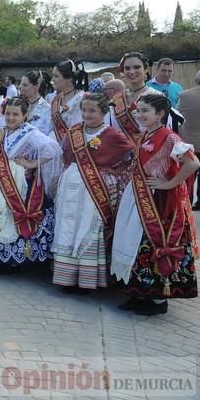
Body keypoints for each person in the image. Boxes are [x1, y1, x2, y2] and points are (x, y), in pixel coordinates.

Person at [111, 94, 199, 315]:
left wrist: (169, 184)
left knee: (150, 244)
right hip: (139, 196)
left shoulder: (169, 137)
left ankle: (158, 300)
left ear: (160, 114)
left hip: (158, 201)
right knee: (133, 243)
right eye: (138, 111)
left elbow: (193, 163)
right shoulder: (145, 134)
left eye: (145, 111)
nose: (139, 115)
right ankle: (138, 293)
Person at [0, 97, 63, 273]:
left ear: (25, 115)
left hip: (17, 180)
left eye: (16, 114)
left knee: (10, 215)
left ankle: (12, 259)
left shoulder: (30, 132)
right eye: (8, 114)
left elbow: (53, 148)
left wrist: (32, 164)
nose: (11, 118)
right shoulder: (4, 131)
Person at [51, 93, 134, 293]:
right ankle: (67, 278)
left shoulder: (112, 135)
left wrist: (113, 175)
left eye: (92, 111)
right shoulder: (74, 132)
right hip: (70, 186)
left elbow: (132, 155)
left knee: (89, 228)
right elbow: (66, 156)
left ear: (104, 112)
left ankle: (86, 281)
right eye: (84, 110)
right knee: (68, 228)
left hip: (94, 191)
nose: (87, 114)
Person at [107, 52, 161, 145]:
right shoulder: (115, 100)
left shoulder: (157, 97)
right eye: (127, 68)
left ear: (146, 69)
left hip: (150, 153)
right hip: (121, 155)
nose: (131, 72)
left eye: (137, 67)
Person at [177, 68, 200, 210]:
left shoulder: (184, 95)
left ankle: (186, 201)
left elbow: (177, 117)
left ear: (196, 80)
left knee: (188, 175)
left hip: (189, 143)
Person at [49, 60, 87, 144]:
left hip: (75, 148)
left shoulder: (82, 98)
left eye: (56, 76)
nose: (53, 80)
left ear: (69, 78)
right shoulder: (56, 100)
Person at [19, 71, 53, 136]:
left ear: (37, 86)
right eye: (21, 84)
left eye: (25, 85)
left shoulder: (47, 109)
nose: (21, 88)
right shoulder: (20, 105)